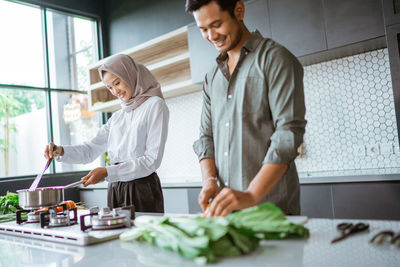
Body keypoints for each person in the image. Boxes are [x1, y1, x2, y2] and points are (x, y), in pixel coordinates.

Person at [186, 0, 307, 216]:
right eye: (203, 29)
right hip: (226, 213)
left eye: (216, 24)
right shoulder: (211, 77)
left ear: (239, 11)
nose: (211, 36)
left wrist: (251, 195)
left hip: (271, 210)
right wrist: (209, 180)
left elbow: (288, 135)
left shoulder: (276, 59)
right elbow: (206, 137)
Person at [44, 54, 169, 212]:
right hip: (115, 188)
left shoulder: (155, 105)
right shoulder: (118, 117)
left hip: (142, 189)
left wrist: (107, 171)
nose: (115, 91)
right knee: (117, 236)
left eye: (117, 83)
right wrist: (60, 151)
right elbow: (90, 150)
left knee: (140, 236)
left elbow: (151, 161)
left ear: (131, 75)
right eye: (110, 87)